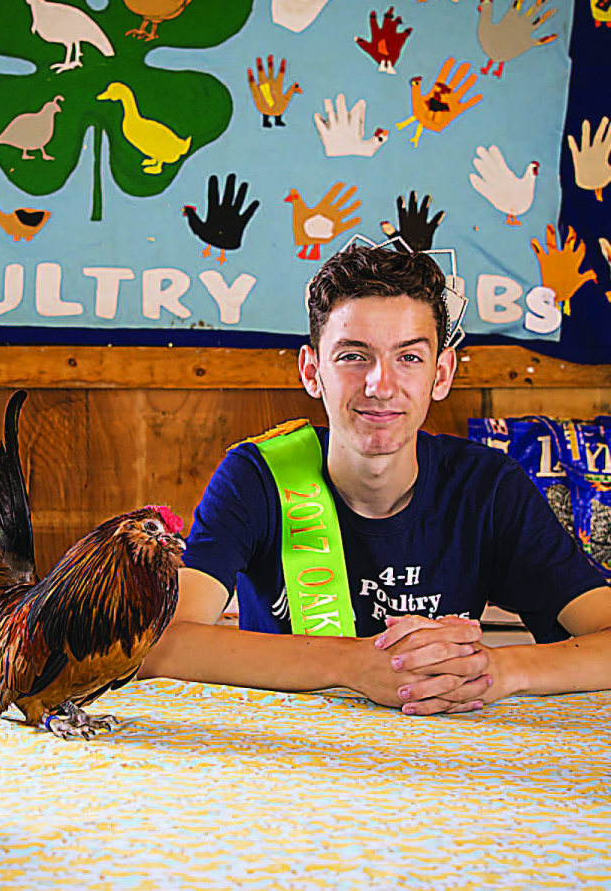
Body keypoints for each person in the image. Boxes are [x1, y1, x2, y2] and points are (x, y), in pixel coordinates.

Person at [141, 242, 611, 715]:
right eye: (352, 356)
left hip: (445, 762)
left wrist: (496, 671)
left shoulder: (487, 488)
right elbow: (162, 646)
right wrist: (355, 664)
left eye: (408, 358)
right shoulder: (254, 478)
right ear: (312, 371)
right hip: (286, 759)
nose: (380, 386)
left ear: (441, 373)